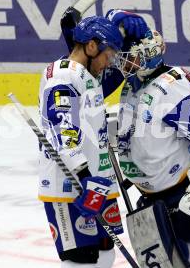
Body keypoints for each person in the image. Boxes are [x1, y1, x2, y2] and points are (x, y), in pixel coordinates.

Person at [113, 26, 190, 267]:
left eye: (130, 56)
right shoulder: (132, 85)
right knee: (166, 261)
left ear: (149, 53)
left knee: (188, 258)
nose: (124, 62)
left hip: (181, 192)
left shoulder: (171, 85)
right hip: (150, 196)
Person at [37, 14, 147, 268]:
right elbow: (62, 131)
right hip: (71, 185)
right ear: (91, 46)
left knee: (105, 253)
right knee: (82, 261)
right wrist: (84, 176)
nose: (109, 63)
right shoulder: (63, 77)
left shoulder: (87, 75)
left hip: (96, 182)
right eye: (108, 55)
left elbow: (118, 74)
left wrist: (122, 21)